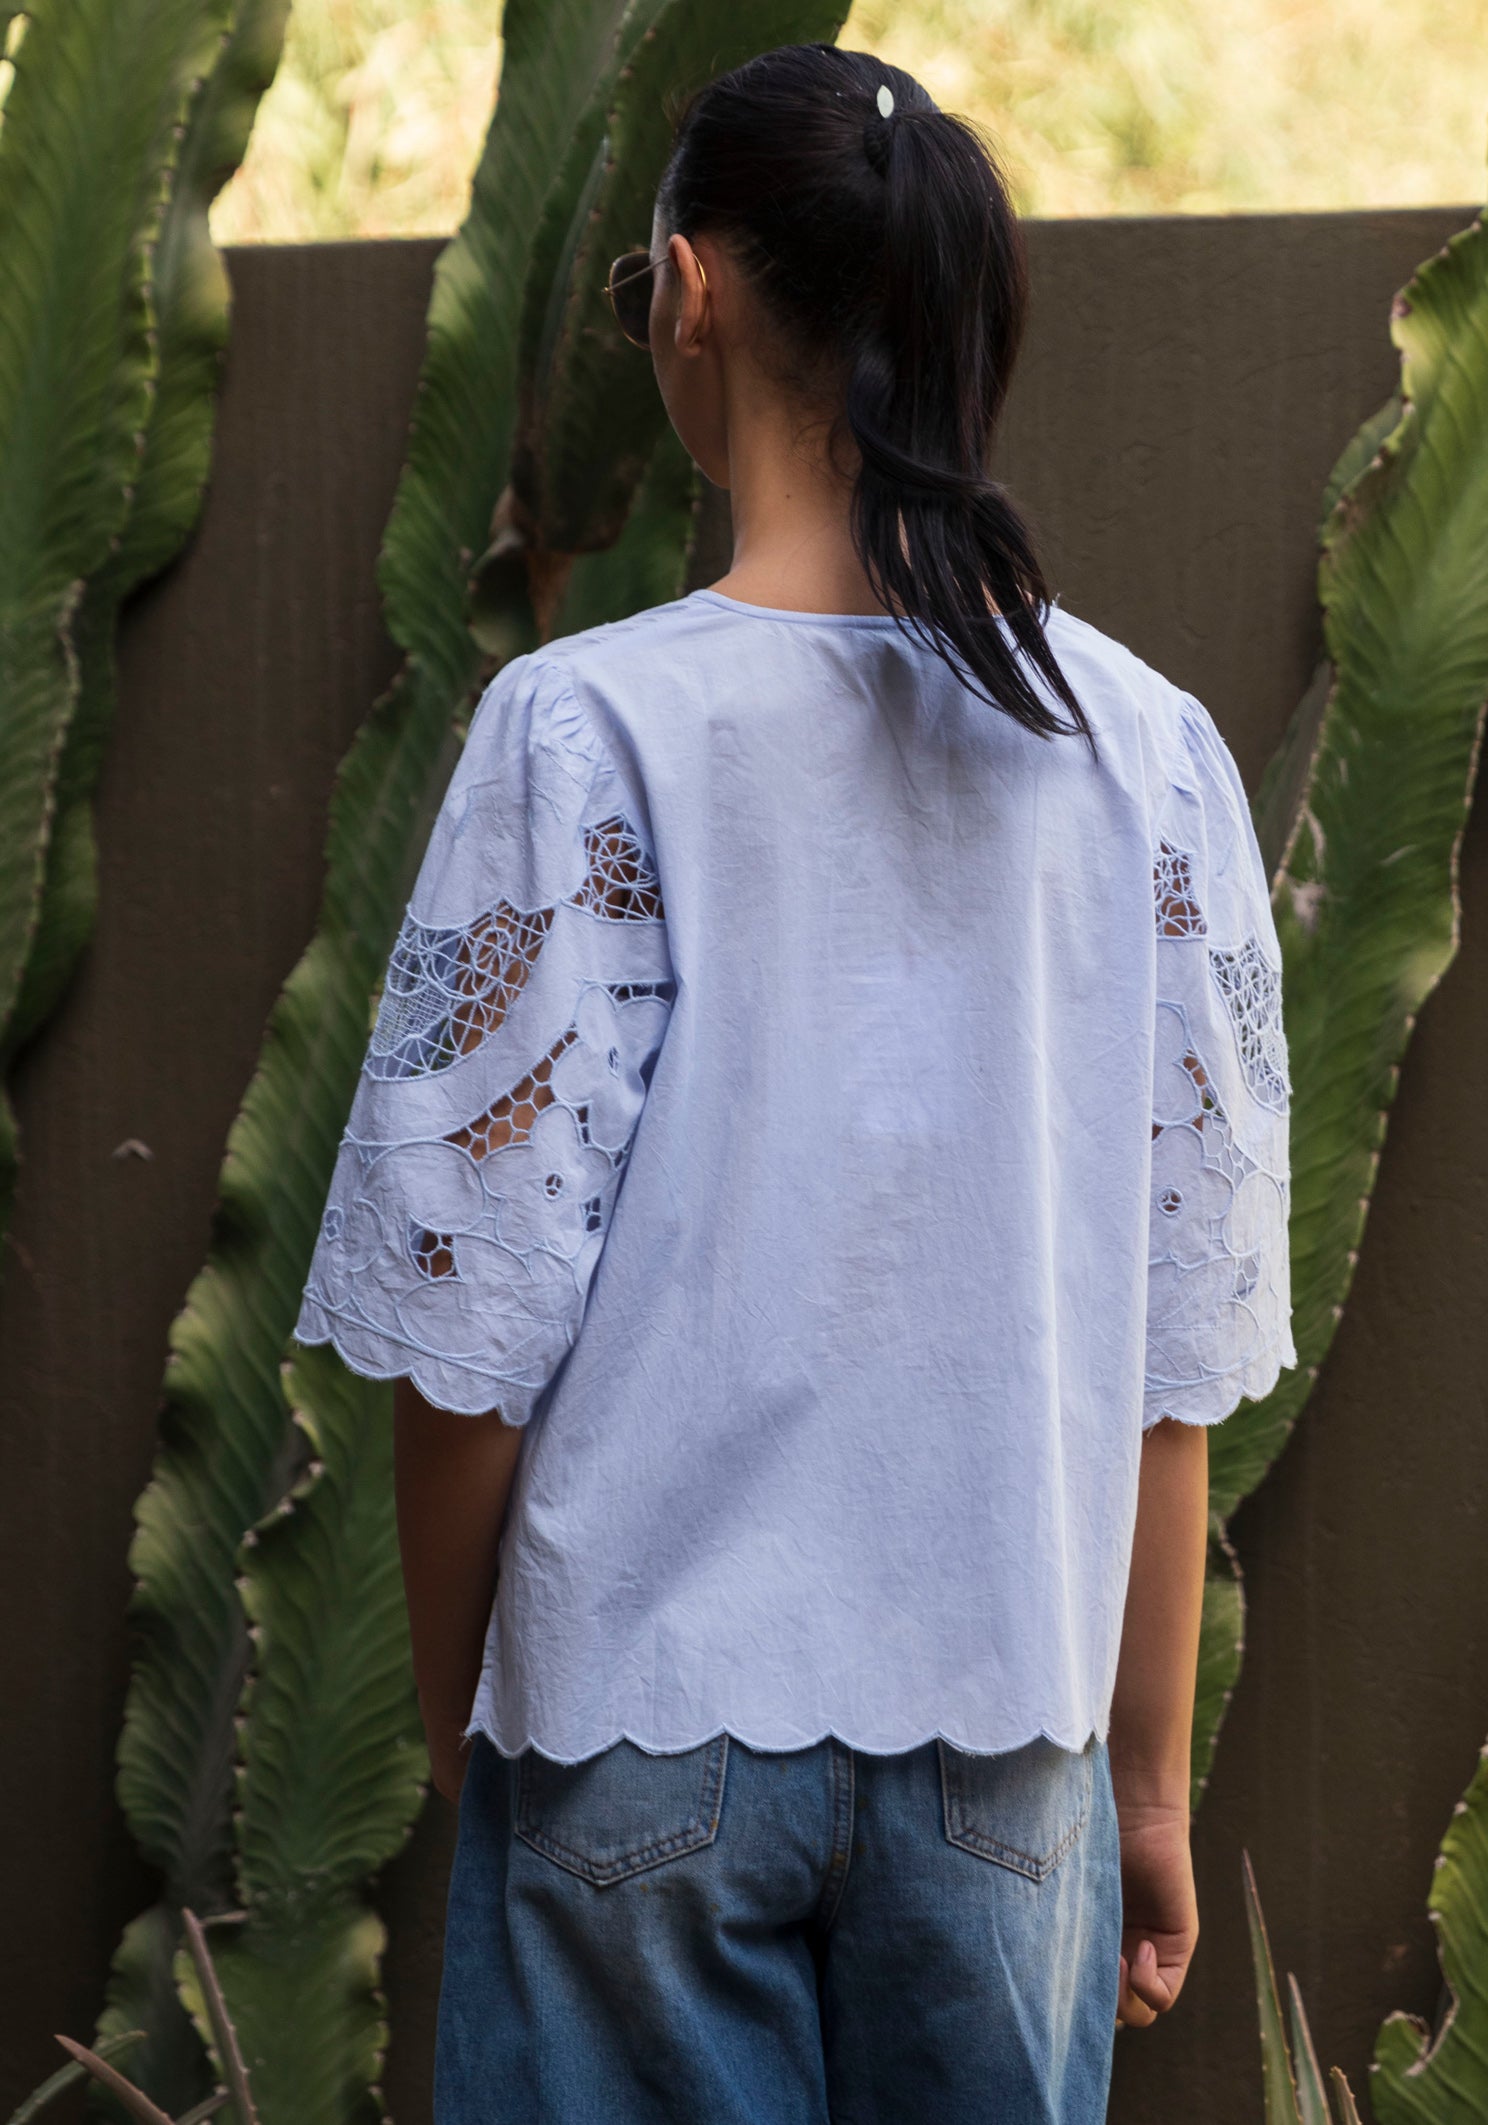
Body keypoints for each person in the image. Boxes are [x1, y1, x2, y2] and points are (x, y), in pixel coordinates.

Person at [295, 40, 1295, 2125]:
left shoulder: (580, 734)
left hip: (636, 1738)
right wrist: (1147, 1781)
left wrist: (468, 1702)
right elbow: (1168, 1345)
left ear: (685, 293)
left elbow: (465, 1327)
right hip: (1008, 1741)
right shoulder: (1142, 757)